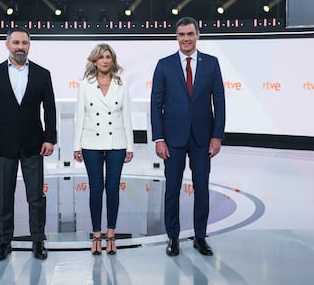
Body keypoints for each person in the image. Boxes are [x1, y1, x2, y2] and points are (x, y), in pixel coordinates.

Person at [150, 17, 226, 257]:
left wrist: (217, 136)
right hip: (172, 138)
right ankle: (172, 237)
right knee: (172, 189)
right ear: (177, 37)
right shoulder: (164, 65)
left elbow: (220, 102)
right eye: (181, 34)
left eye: (190, 34)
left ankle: (200, 237)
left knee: (201, 188)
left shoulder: (212, 64)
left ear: (198, 35)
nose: (186, 39)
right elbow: (156, 105)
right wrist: (159, 138)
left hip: (203, 138)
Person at [0, 27, 57, 261]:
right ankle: (4, 242)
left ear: (29, 45)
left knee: (36, 196)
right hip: (3, 146)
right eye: (16, 43)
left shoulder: (43, 74)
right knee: (5, 196)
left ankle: (38, 241)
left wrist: (49, 138)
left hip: (34, 144)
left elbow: (50, 109)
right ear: (7, 45)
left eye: (24, 43)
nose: (20, 47)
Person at [73, 43, 134, 255]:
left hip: (117, 142)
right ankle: (96, 235)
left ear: (113, 60)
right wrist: (76, 145)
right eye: (101, 57)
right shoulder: (85, 85)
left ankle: (111, 234)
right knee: (96, 189)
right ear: (95, 61)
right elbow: (79, 116)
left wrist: (130, 145)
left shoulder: (121, 84)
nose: (105, 60)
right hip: (91, 143)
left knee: (113, 188)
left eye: (108, 57)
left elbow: (126, 115)